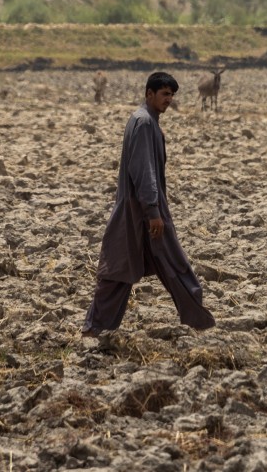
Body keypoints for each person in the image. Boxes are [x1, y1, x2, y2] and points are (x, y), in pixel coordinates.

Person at [82, 71, 215, 336]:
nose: (168, 100)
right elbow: (144, 170)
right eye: (164, 94)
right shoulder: (144, 123)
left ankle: (198, 322)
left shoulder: (145, 121)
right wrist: (153, 211)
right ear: (149, 94)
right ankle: (96, 329)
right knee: (141, 268)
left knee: (149, 266)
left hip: (140, 207)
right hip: (141, 210)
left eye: (171, 95)